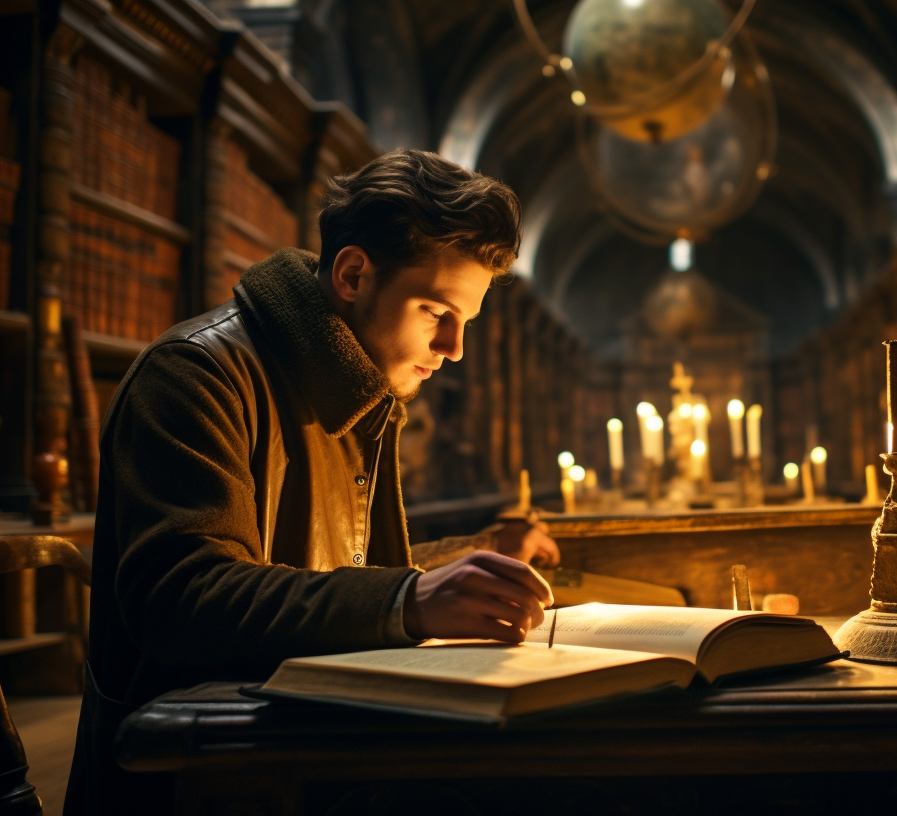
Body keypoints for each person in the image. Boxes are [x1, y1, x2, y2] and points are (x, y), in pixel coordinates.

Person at [65, 149, 560, 814]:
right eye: (435, 311)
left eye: (464, 321)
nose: (454, 347)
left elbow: (331, 571)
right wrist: (411, 601)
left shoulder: (359, 385)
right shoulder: (193, 375)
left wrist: (475, 556)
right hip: (195, 776)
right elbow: (180, 598)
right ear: (354, 274)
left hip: (302, 742)